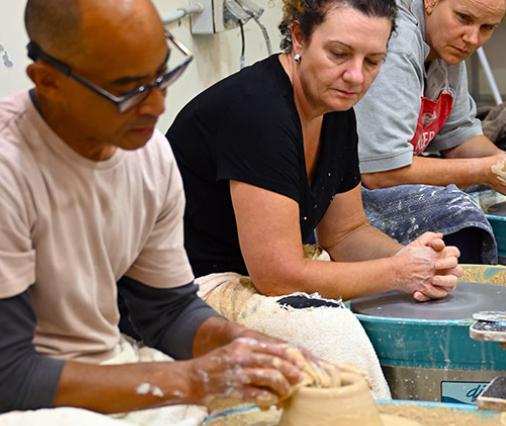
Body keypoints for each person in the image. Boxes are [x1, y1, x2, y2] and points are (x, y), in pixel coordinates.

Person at [0, 0, 313, 426]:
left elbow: (166, 311)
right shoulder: (10, 168)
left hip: (103, 365)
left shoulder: (147, 154)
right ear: (48, 81)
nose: (157, 104)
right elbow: (12, 376)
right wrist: (188, 379)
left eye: (162, 75)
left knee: (271, 420)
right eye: (128, 90)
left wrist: (240, 344)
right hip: (14, 402)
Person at [167, 0, 462, 398]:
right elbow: (278, 275)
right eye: (339, 54)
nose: (355, 76)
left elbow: (346, 234)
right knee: (331, 332)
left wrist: (416, 263)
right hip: (189, 288)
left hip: (261, 275)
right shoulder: (258, 111)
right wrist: (395, 272)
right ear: (299, 38)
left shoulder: (336, 109)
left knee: (402, 299)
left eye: (373, 61)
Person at [355, 0, 506, 264]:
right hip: (338, 191)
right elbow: (380, 173)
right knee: (458, 215)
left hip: (384, 174)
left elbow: (460, 137)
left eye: (487, 27)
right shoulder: (395, 40)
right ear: (431, 2)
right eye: (463, 18)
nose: (472, 39)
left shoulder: (446, 45)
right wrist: (487, 170)